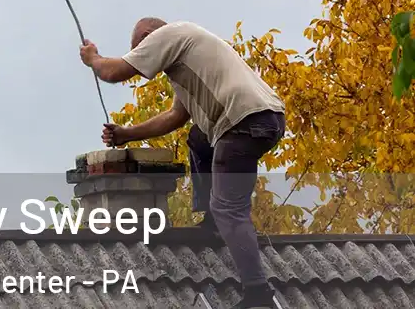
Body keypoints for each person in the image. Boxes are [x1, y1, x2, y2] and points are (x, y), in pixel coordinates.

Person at [78, 17, 286, 309]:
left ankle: (257, 294)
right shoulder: (187, 58)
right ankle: (213, 224)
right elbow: (175, 117)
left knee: (229, 208)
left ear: (149, 36)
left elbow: (114, 72)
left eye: (141, 48)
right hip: (266, 119)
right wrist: (127, 134)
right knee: (200, 137)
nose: (144, 56)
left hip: (243, 123)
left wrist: (94, 59)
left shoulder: (171, 34)